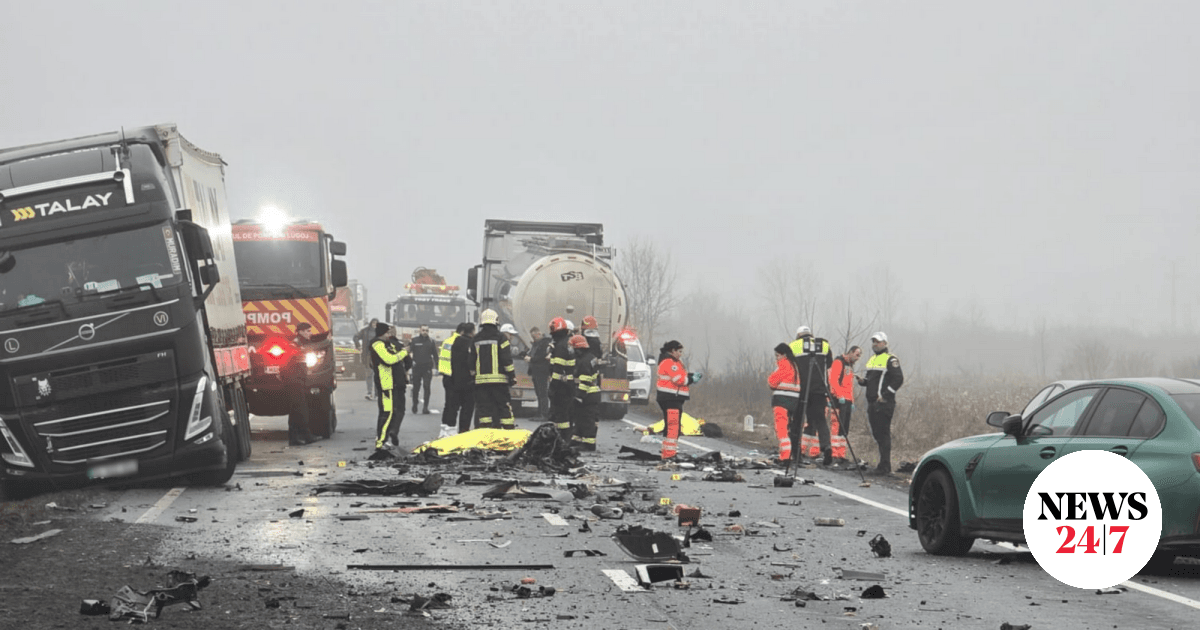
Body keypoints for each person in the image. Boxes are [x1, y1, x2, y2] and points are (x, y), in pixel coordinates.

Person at [857, 332, 903, 474]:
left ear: (885, 343)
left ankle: (885, 466)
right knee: (877, 434)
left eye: (878, 342)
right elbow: (871, 381)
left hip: (883, 403)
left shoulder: (891, 359)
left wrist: (886, 394)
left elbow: (898, 379)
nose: (875, 344)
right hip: (872, 403)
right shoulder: (871, 359)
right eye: (873, 341)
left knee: (883, 434)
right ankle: (882, 464)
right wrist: (862, 382)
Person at [789, 325, 834, 466]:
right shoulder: (824, 345)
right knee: (820, 420)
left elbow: (790, 367)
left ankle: (796, 454)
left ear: (798, 335)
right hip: (819, 389)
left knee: (797, 421)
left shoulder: (793, 346)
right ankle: (826, 446)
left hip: (801, 389)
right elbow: (830, 364)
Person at [655, 340, 700, 460]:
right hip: (671, 397)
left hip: (672, 397)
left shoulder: (672, 362)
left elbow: (680, 376)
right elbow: (678, 380)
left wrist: (690, 376)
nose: (680, 354)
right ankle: (669, 454)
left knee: (671, 425)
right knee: (673, 426)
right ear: (673, 351)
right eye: (679, 351)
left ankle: (667, 452)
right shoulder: (670, 362)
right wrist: (691, 380)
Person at [371, 323, 411, 451]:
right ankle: (380, 442)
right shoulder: (377, 344)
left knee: (390, 413)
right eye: (387, 333)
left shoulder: (387, 344)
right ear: (382, 334)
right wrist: (404, 352)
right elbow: (389, 360)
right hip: (385, 383)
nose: (389, 335)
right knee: (386, 413)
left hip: (392, 383)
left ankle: (383, 440)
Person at [473, 309, 516, 429]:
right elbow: (507, 360)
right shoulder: (501, 338)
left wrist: (473, 377)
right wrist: (512, 376)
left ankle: (485, 435)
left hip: (481, 383)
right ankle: (508, 435)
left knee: (484, 410)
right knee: (503, 408)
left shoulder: (476, 339)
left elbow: (471, 360)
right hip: (499, 382)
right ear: (496, 322)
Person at [284, 323, 318, 446]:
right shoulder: (295, 346)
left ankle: (294, 438)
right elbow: (288, 365)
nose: (310, 333)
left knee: (295, 411)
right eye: (308, 331)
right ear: (301, 332)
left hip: (298, 381)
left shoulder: (301, 345)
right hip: (294, 382)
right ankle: (306, 436)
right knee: (301, 410)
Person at [827, 346, 862, 464]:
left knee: (844, 429)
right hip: (838, 400)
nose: (858, 358)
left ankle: (841, 454)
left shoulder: (849, 366)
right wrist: (839, 395)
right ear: (851, 352)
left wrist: (851, 401)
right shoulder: (838, 362)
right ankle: (834, 453)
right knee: (836, 427)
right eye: (857, 355)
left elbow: (849, 386)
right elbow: (833, 381)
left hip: (847, 400)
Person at [767, 343, 800, 461]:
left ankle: (785, 455)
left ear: (783, 355)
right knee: (790, 428)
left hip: (782, 400)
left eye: (777, 355)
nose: (776, 358)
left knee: (781, 428)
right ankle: (791, 454)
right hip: (794, 401)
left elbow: (772, 382)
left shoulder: (784, 364)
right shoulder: (795, 365)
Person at [570, 334, 601, 451]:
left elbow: (585, 380)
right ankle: (577, 440)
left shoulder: (584, 361)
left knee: (587, 420)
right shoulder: (591, 357)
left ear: (578, 348)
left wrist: (579, 396)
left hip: (588, 396)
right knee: (580, 418)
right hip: (591, 395)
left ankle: (589, 444)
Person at [547, 317, 576, 441]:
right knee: (566, 414)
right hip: (568, 385)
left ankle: (562, 439)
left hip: (561, 387)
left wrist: (552, 387)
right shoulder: (567, 344)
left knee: (561, 415)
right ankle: (564, 438)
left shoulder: (560, 346)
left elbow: (557, 370)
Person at [446, 322, 477, 435]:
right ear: (472, 331)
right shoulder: (471, 343)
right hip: (468, 380)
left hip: (455, 379)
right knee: (467, 408)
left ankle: (450, 430)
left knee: (454, 407)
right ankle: (463, 431)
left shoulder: (456, 341)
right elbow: (471, 360)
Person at [408, 325, 437, 414]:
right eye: (423, 330)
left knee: (427, 387)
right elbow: (408, 352)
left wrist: (437, 367)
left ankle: (425, 407)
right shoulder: (415, 340)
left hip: (427, 367)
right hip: (416, 367)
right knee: (416, 387)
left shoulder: (431, 341)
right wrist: (408, 365)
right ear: (419, 331)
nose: (425, 332)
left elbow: (435, 355)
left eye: (427, 330)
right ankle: (415, 404)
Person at [526, 327, 552, 420]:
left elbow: (542, 357)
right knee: (539, 394)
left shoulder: (544, 344)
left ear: (539, 333)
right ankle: (539, 413)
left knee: (542, 394)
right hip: (535, 371)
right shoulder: (536, 344)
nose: (533, 339)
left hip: (542, 371)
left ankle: (544, 414)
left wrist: (531, 359)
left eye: (534, 336)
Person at [356, 318, 379, 400]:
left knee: (377, 375)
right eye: (373, 322)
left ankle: (377, 394)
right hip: (368, 356)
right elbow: (356, 337)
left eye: (376, 323)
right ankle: (369, 393)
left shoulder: (381, 332)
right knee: (369, 374)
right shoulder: (365, 331)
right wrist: (357, 345)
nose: (374, 324)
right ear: (371, 323)